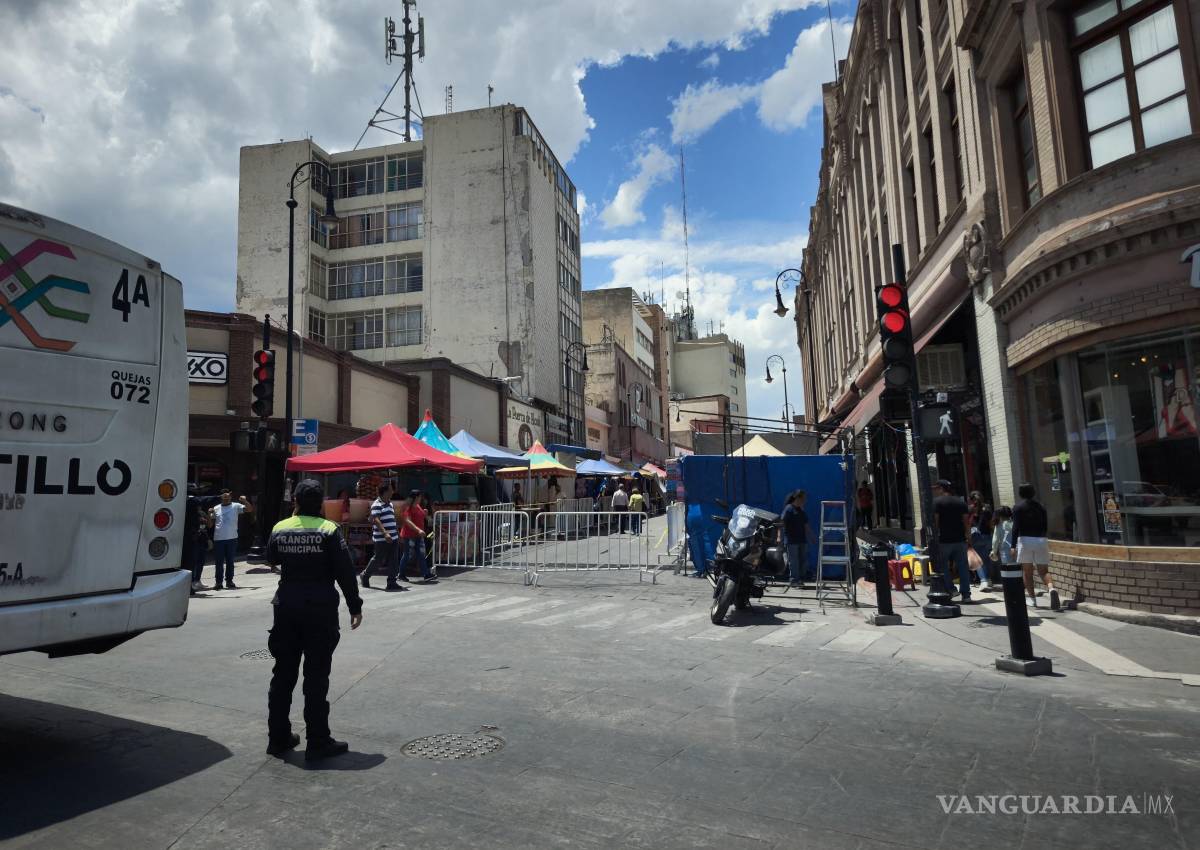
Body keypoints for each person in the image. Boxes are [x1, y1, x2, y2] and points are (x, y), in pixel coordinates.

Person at [264, 479, 363, 761]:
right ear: (320, 504)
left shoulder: (281, 527)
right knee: (316, 676)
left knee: (283, 674)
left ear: (295, 501)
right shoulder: (329, 530)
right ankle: (318, 741)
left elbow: (271, 557)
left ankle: (278, 737)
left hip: (286, 607)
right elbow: (345, 571)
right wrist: (355, 605)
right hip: (320, 609)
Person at [1012, 483, 1059, 610]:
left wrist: (1013, 546)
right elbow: (1045, 525)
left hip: (1025, 540)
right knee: (1043, 571)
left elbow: (1015, 527)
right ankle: (1051, 588)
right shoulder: (1041, 507)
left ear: (1020, 493)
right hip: (1040, 539)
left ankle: (1032, 599)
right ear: (1033, 492)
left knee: (1027, 572)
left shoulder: (1018, 507)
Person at [931, 479, 972, 602]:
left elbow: (936, 522)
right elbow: (966, 522)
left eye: (937, 489)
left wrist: (935, 538)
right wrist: (968, 537)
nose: (935, 491)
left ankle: (951, 589)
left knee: (943, 566)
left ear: (942, 489)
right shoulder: (961, 502)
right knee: (963, 567)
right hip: (960, 540)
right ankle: (966, 595)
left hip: (944, 540)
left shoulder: (937, 502)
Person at [361, 482, 401, 591]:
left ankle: (392, 582)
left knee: (394, 560)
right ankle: (365, 575)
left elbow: (392, 520)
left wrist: (397, 533)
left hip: (393, 537)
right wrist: (385, 533)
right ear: (385, 492)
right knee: (378, 559)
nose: (392, 492)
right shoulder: (376, 504)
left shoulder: (390, 504)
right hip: (382, 538)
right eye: (390, 490)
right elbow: (376, 520)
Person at [208, 490, 252, 590]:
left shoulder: (236, 506)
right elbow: (210, 524)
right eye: (224, 497)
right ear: (221, 497)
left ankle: (229, 581)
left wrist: (245, 501)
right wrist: (208, 514)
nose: (226, 498)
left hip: (232, 538)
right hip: (219, 538)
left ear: (231, 497)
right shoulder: (216, 508)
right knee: (219, 562)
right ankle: (218, 582)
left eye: (228, 496)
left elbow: (249, 509)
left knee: (230, 561)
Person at [398, 490, 437, 583]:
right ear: (416, 497)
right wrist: (418, 530)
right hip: (409, 535)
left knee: (421, 554)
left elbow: (420, 516)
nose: (421, 499)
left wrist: (425, 513)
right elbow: (408, 521)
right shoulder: (408, 507)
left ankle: (426, 574)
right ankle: (401, 574)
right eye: (419, 497)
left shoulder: (418, 506)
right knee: (407, 555)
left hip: (418, 535)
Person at [781, 490, 811, 587]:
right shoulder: (789, 509)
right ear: (798, 498)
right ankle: (794, 580)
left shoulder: (801, 510)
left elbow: (806, 524)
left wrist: (812, 537)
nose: (804, 501)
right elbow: (782, 523)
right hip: (791, 540)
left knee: (802, 560)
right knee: (794, 561)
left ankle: (801, 579)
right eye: (803, 499)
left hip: (802, 539)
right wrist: (779, 537)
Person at [967, 491, 994, 592]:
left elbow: (968, 523)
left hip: (975, 536)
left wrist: (967, 537)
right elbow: (991, 523)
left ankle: (983, 580)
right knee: (986, 559)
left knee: (977, 560)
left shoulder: (970, 509)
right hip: (986, 535)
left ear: (971, 499)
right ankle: (988, 579)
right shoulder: (987, 508)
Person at [183, 493, 210, 594]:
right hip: (191, 542)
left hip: (199, 540)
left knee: (197, 563)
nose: (199, 506)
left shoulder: (200, 513)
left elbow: (209, 524)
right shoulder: (189, 514)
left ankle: (194, 582)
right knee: (190, 564)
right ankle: (189, 585)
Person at [990, 505, 1015, 579]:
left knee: (1008, 570)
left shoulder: (999, 526)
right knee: (1018, 568)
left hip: (1005, 551)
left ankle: (1010, 584)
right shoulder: (1014, 523)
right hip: (1016, 549)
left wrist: (993, 552)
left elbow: (995, 540)